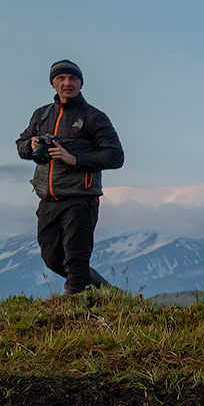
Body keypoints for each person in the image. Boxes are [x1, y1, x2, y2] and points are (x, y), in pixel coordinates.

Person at [15, 60, 124, 295]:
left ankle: (72, 310)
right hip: (48, 198)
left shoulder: (94, 117)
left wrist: (74, 158)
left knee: (75, 258)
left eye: (73, 79)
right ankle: (107, 291)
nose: (67, 83)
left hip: (80, 197)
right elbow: (20, 145)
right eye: (61, 79)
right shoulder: (41, 115)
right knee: (52, 257)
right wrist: (30, 144)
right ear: (53, 84)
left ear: (81, 83)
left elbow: (115, 156)